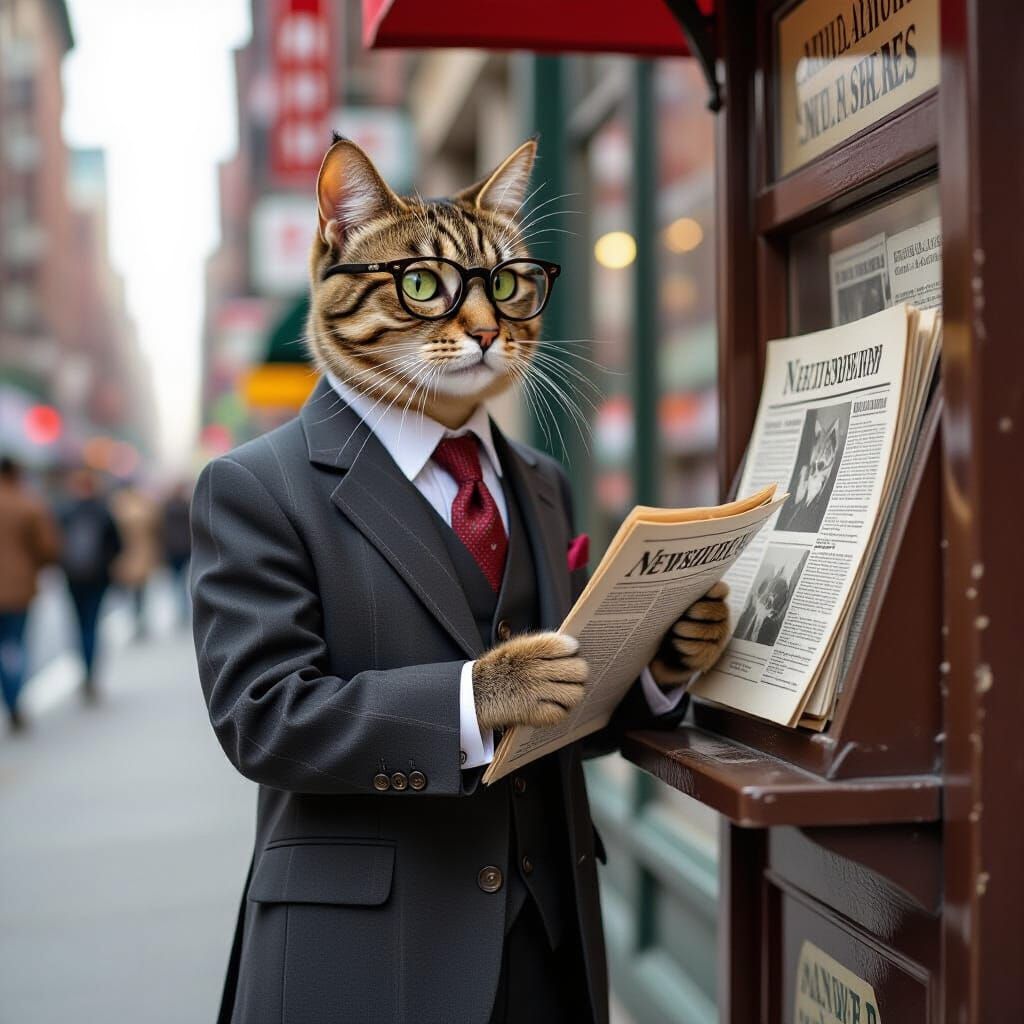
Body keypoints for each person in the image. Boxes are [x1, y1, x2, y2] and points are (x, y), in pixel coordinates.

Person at [191, 138, 732, 1024]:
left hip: (550, 954)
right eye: (423, 286)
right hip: (363, 969)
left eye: (506, 285)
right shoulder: (257, 487)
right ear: (337, 248)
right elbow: (264, 718)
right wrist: (471, 699)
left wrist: (659, 671)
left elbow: (566, 719)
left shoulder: (540, 481)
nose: (483, 321)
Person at [0, 456, 60, 731]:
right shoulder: (28, 503)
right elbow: (48, 548)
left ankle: (10, 699)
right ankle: (14, 702)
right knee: (13, 645)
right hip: (17, 591)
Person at [57, 468, 122, 700]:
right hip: (98, 577)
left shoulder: (65, 511)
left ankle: (83, 671)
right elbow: (117, 545)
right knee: (92, 624)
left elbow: (55, 545)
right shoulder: (103, 511)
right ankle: (91, 674)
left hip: (73, 577)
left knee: (78, 624)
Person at [110, 481, 160, 638]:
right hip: (141, 554)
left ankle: (136, 619)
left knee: (130, 591)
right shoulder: (145, 506)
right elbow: (156, 528)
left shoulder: (118, 507)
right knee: (140, 591)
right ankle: (139, 619)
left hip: (127, 554)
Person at [160, 481, 192, 626]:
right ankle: (183, 609)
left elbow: (162, 530)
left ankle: (181, 609)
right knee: (183, 581)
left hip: (173, 548)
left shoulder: (167, 508)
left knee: (175, 581)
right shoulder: (187, 506)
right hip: (185, 548)